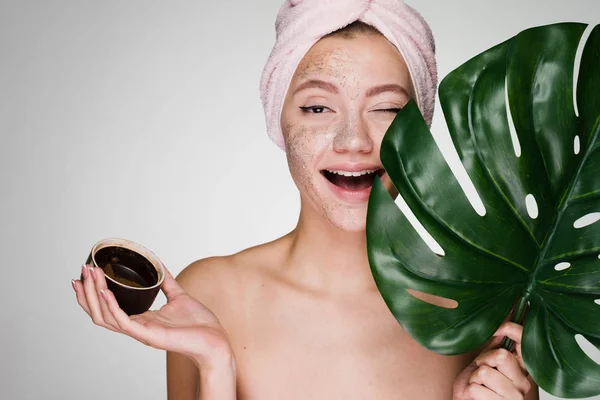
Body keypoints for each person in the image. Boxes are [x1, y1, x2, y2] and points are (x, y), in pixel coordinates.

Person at [72, 0, 538, 399]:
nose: (353, 141)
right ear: (280, 119)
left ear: (419, 131)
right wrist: (216, 365)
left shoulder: (490, 308)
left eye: (387, 109)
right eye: (318, 107)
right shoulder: (210, 294)